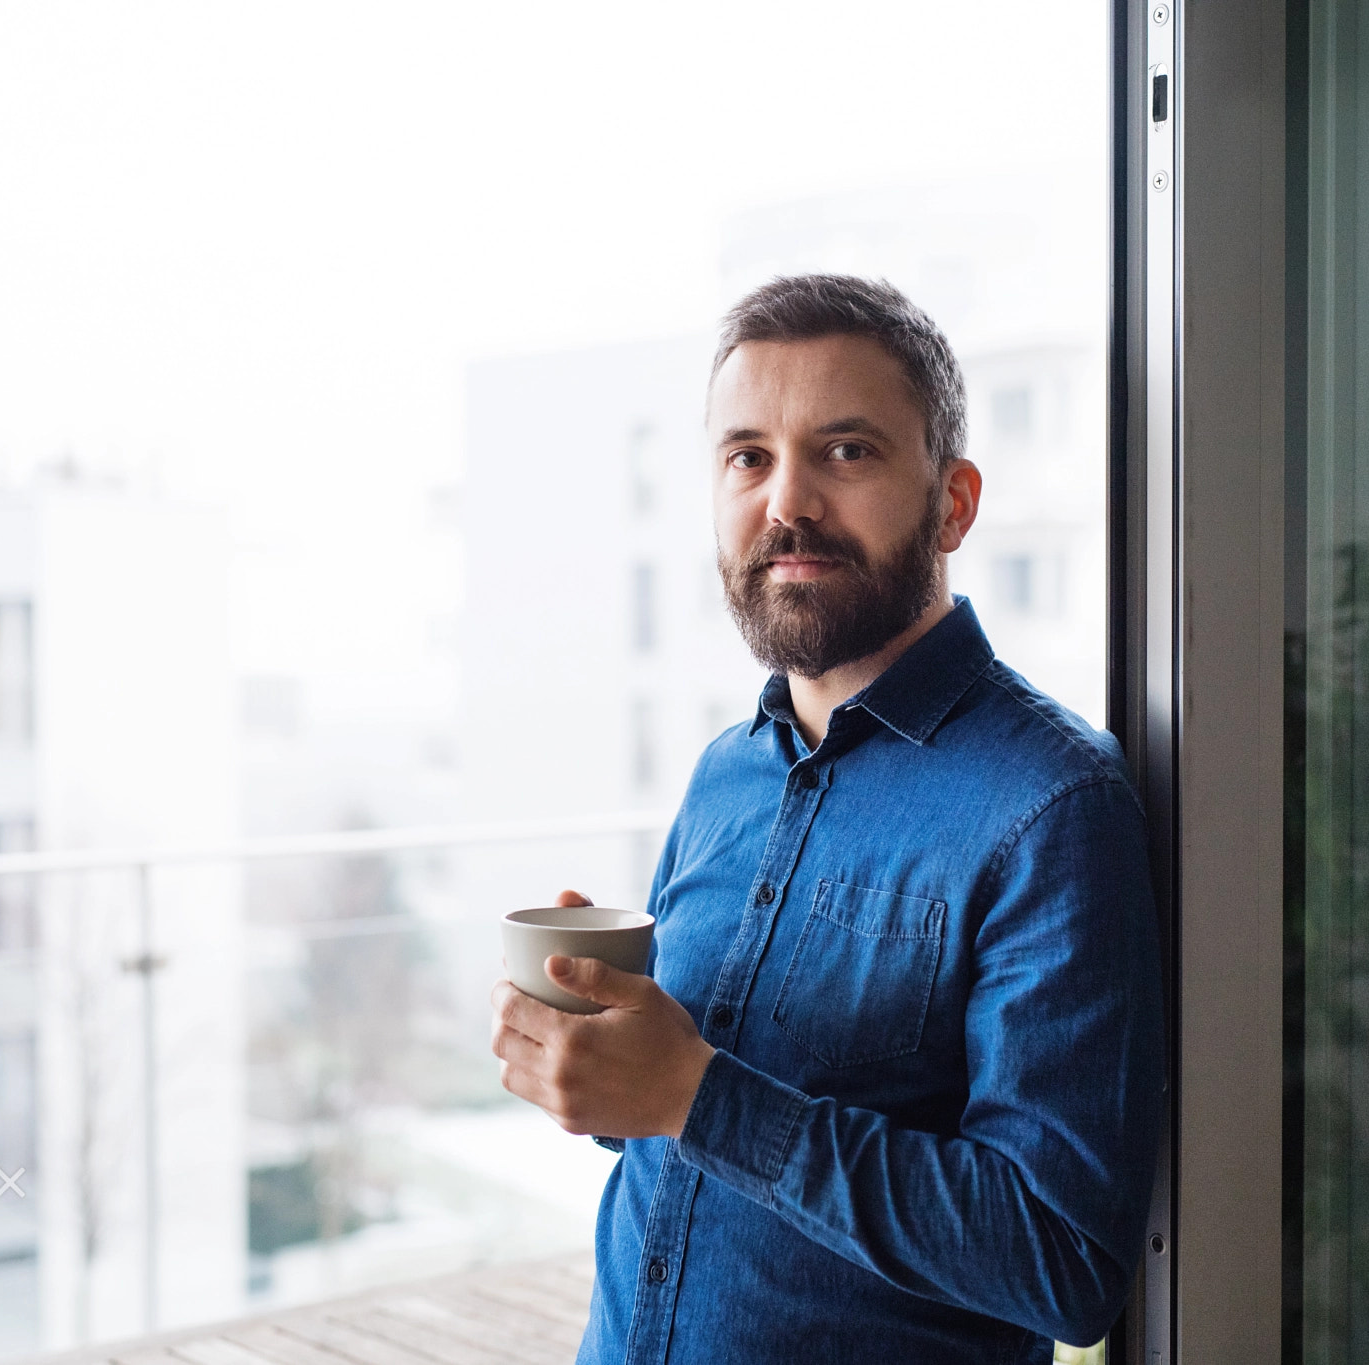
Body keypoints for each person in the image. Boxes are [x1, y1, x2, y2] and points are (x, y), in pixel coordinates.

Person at [489, 274, 1164, 1363]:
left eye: (843, 452)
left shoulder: (1052, 807)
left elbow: (1062, 1260)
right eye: (747, 456)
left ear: (952, 502)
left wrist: (698, 1096)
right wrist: (598, 1061)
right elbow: (667, 1128)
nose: (784, 502)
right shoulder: (725, 775)